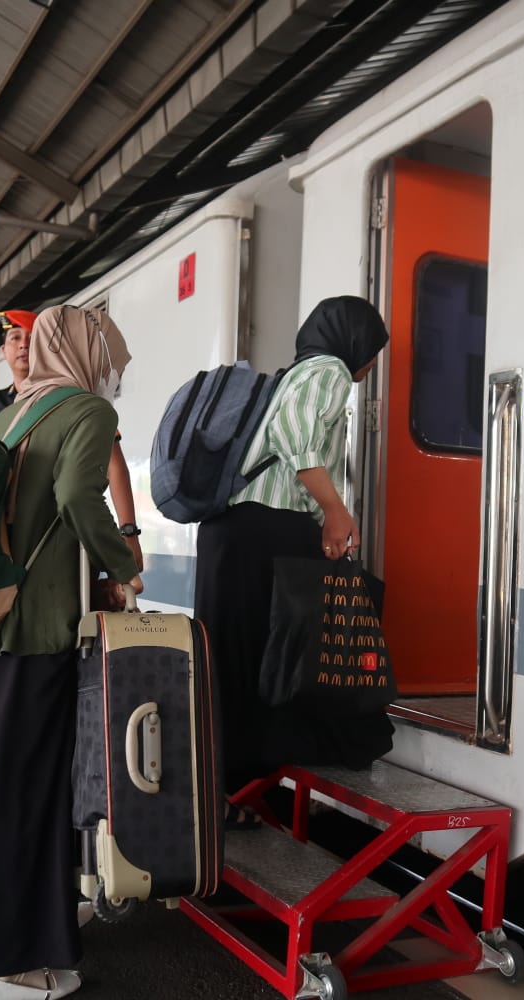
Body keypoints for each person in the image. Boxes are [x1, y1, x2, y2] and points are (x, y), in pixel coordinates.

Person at [0, 305, 142, 1000]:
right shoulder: (85, 410)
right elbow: (76, 497)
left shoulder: (10, 414)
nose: (112, 370)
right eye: (108, 354)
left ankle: (44, 942)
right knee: (25, 798)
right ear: (85, 352)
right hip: (33, 632)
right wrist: (121, 566)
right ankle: (6, 967)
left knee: (7, 794)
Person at [194, 296, 394, 824]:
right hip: (265, 529)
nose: (371, 364)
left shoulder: (296, 373)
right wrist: (334, 510)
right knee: (277, 659)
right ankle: (246, 786)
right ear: (354, 341)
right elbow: (294, 435)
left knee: (234, 666)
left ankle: (224, 795)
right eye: (373, 351)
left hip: (234, 533)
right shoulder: (327, 370)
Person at [0, 308, 143, 573]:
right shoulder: (91, 409)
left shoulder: (1, 418)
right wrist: (122, 562)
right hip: (56, 576)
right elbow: (74, 496)